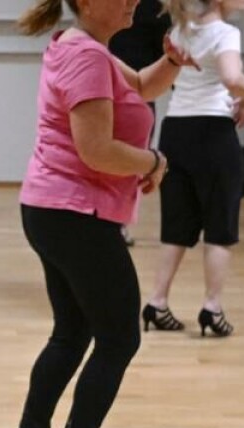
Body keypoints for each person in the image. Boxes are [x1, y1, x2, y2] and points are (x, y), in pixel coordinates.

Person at [4, 0, 193, 428]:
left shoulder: (91, 50)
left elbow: (142, 88)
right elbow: (97, 150)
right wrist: (154, 160)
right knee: (118, 337)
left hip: (57, 209)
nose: (134, 1)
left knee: (72, 332)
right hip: (73, 214)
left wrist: (171, 60)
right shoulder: (86, 55)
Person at [143, 0, 244, 337]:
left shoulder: (179, 30)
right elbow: (231, 76)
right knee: (220, 226)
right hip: (213, 133)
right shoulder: (226, 33)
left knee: (176, 225)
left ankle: (156, 302)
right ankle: (212, 308)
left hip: (176, 131)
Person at [109, 0, 172, 246]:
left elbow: (165, 52)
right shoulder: (152, 8)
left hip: (137, 90)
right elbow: (164, 51)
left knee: (129, 162)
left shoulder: (154, 8)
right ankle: (116, 221)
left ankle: (117, 221)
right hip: (128, 90)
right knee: (127, 161)